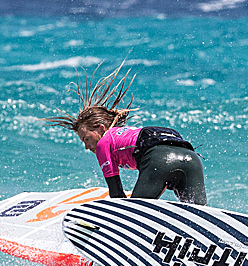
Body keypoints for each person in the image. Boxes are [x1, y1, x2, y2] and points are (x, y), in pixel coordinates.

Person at [45, 63, 207, 205]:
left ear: (101, 128)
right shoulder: (127, 135)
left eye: (86, 139)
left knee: (136, 212)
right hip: (192, 159)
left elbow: (116, 193)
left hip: (161, 159)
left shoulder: (104, 143)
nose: (87, 146)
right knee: (199, 216)